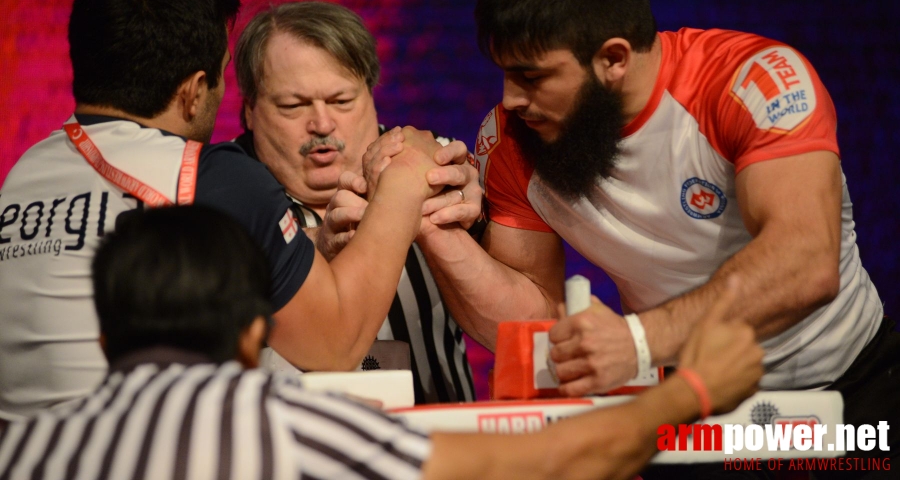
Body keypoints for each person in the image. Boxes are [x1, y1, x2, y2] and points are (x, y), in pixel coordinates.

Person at [371, 0, 898, 471]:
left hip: (850, 393)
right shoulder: (511, 140)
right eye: (503, 73)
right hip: (695, 409)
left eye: (531, 76)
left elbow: (806, 260)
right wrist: (433, 227)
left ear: (614, 59)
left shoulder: (754, 83)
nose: (511, 99)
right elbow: (528, 325)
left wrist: (639, 342)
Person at [0, 0, 455, 421]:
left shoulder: (22, 175)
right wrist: (403, 179)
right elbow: (336, 342)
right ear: (195, 90)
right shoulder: (213, 178)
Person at [0, 205, 764, 480]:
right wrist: (691, 391)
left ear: (103, 333)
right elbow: (556, 462)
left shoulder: (24, 450)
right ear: (253, 332)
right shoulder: (288, 427)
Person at [233, 1, 476, 403]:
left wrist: (480, 215)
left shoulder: (440, 165)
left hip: (437, 443)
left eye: (342, 101)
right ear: (249, 111)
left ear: (371, 93)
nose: (322, 124)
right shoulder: (218, 190)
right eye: (294, 106)